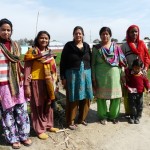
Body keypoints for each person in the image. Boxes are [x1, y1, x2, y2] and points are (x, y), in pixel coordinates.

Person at [0, 18, 32, 149]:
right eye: (3, 30)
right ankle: (13, 138)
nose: (6, 32)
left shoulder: (16, 45)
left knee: (21, 110)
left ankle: (24, 135)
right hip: (3, 84)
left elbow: (19, 63)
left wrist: (25, 73)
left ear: (12, 31)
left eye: (8, 30)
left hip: (17, 82)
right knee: (8, 112)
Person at [24, 31, 59, 140]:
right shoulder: (32, 52)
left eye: (46, 38)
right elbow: (27, 69)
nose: (44, 40)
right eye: (42, 38)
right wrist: (27, 85)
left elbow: (53, 69)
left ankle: (49, 125)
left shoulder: (49, 52)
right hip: (36, 81)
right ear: (37, 39)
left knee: (48, 103)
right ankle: (39, 129)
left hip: (49, 82)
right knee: (37, 106)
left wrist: (55, 82)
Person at [92, 27, 127, 125]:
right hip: (101, 76)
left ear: (110, 35)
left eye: (107, 34)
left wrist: (123, 74)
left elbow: (122, 62)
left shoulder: (116, 48)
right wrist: (93, 78)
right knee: (101, 97)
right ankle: (102, 116)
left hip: (115, 76)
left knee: (116, 97)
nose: (105, 36)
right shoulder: (96, 48)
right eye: (103, 34)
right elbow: (93, 64)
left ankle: (113, 116)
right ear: (100, 36)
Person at [60, 26, 93, 130]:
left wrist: (91, 76)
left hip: (86, 74)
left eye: (80, 33)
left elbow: (90, 61)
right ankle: (70, 121)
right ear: (73, 35)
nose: (78, 35)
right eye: (76, 33)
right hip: (72, 75)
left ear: (83, 35)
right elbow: (62, 62)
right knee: (72, 98)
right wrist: (63, 77)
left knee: (86, 97)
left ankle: (82, 118)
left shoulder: (87, 46)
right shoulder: (68, 46)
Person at [121, 25, 150, 117]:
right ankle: (129, 112)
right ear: (128, 33)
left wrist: (145, 68)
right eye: (132, 32)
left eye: (136, 31)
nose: (134, 33)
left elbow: (146, 57)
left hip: (140, 72)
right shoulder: (124, 46)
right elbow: (121, 60)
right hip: (129, 73)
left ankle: (138, 112)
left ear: (138, 33)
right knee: (129, 93)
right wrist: (124, 72)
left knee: (139, 92)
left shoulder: (142, 44)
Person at [124, 58, 150, 124]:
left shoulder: (142, 75)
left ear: (141, 68)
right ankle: (132, 117)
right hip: (132, 93)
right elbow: (126, 83)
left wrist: (148, 88)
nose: (136, 70)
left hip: (140, 93)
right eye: (135, 68)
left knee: (140, 105)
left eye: (138, 68)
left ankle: (138, 117)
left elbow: (146, 82)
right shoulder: (130, 75)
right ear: (132, 67)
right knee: (132, 105)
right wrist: (128, 88)